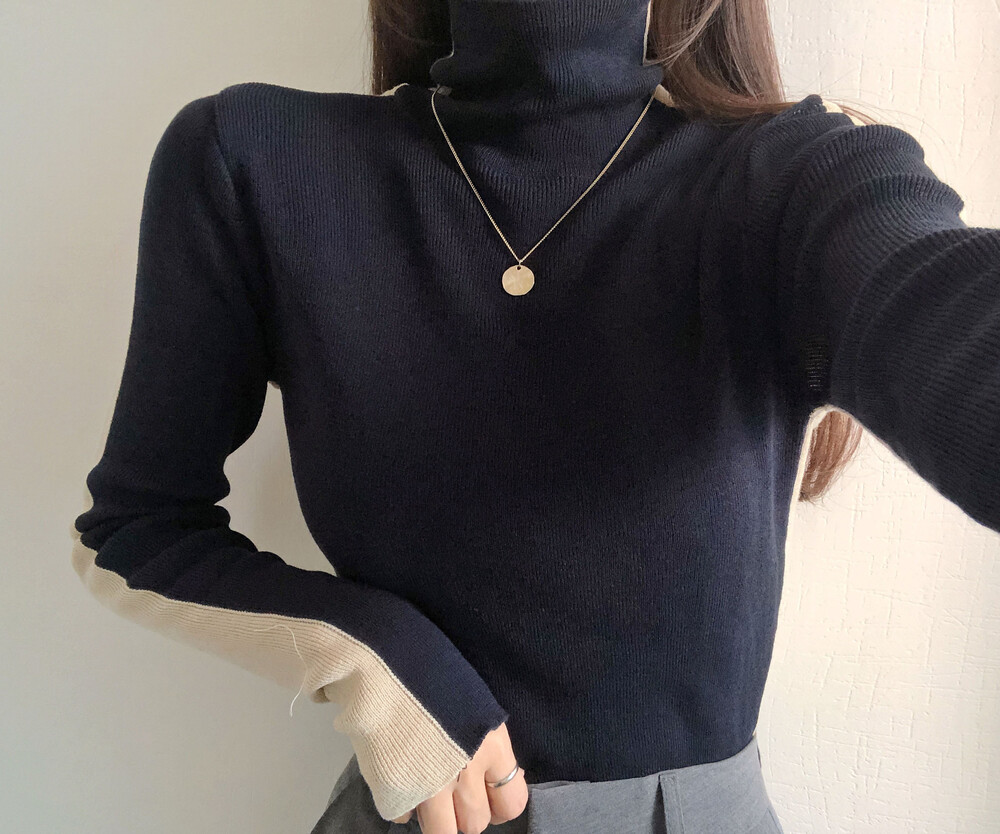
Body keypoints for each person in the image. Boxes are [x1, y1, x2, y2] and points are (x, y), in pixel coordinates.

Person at [70, 0, 1000, 832]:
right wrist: (369, 652)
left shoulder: (796, 177)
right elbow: (135, 530)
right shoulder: (253, 160)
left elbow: (946, 313)